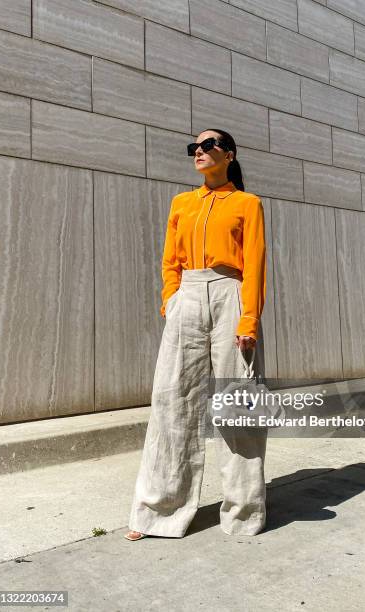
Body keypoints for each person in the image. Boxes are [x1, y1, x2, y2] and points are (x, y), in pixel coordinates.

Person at [125, 128, 268, 541]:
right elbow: (169, 259)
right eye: (195, 148)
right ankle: (158, 511)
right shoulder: (182, 203)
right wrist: (170, 300)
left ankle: (244, 513)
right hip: (187, 295)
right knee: (172, 400)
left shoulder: (247, 203)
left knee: (236, 401)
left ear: (230, 155)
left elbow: (255, 265)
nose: (199, 152)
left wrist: (248, 321)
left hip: (230, 294)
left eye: (209, 146)